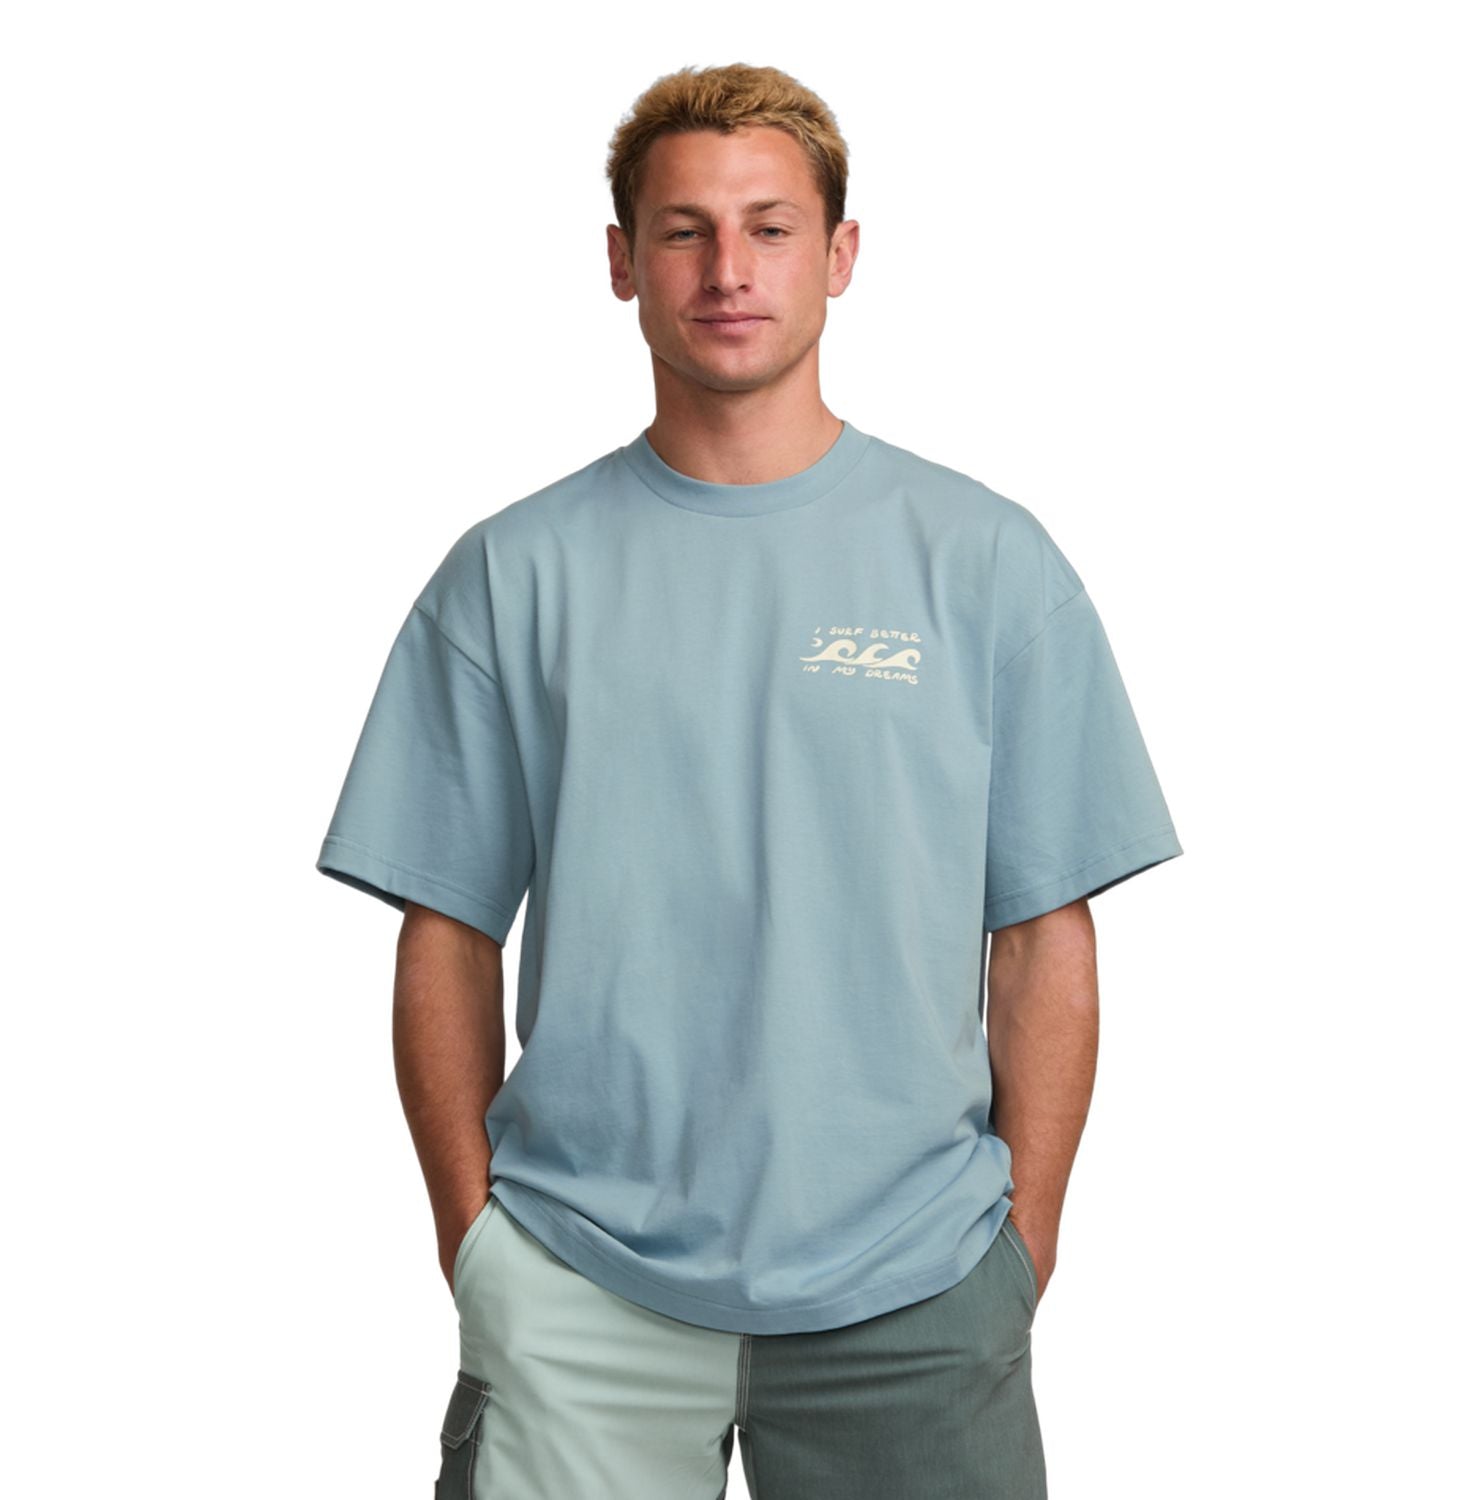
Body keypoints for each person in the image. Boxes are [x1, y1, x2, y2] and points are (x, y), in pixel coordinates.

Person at [315, 60, 1182, 1500]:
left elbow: (1043, 933)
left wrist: (1017, 1251)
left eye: (771, 228)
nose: (729, 269)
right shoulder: (512, 575)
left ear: (841, 256)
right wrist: (478, 1246)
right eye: (685, 230)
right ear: (621, 262)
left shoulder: (987, 565)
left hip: (915, 1289)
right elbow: (446, 930)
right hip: (578, 1287)